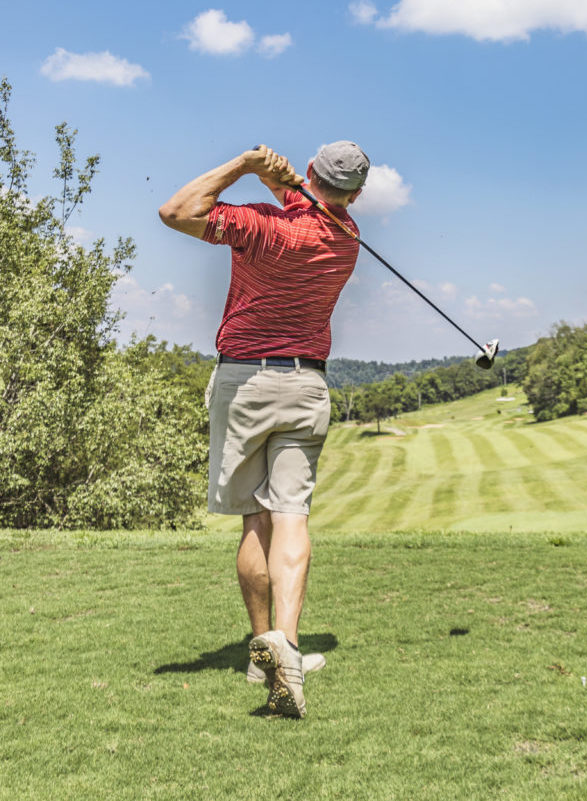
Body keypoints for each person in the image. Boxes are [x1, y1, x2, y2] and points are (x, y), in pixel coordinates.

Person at [158, 141, 370, 718]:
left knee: (255, 517)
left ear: (308, 175)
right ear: (357, 195)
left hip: (245, 385)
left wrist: (244, 165)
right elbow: (314, 206)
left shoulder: (259, 227)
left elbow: (176, 211)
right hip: (307, 387)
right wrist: (284, 181)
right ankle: (289, 650)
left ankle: (262, 655)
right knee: (292, 516)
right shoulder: (346, 236)